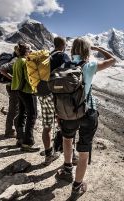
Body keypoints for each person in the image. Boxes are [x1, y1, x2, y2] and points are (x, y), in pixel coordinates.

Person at [55, 37, 116, 200]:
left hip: (67, 113)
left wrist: (58, 113)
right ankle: (77, 186)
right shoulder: (89, 66)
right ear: (86, 51)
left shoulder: (64, 66)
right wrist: (98, 48)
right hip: (88, 112)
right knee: (84, 150)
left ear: (72, 50)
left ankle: (67, 170)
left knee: (67, 140)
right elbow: (113, 60)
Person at [39, 36, 70, 165]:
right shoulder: (63, 56)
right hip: (55, 95)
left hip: (42, 94)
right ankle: (69, 157)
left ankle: (48, 155)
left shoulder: (46, 56)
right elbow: (70, 74)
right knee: (64, 125)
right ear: (63, 45)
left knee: (47, 126)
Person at [11, 42, 39, 151]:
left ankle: (20, 138)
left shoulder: (17, 61)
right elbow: (29, 78)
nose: (31, 51)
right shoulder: (25, 62)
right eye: (30, 50)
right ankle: (28, 142)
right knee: (32, 114)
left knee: (22, 113)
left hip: (19, 90)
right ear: (26, 51)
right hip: (27, 91)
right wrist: (36, 89)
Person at [0, 45, 20, 138]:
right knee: (13, 108)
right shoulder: (15, 60)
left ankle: (12, 129)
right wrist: (13, 79)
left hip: (11, 86)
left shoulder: (15, 59)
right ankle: (9, 131)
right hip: (13, 87)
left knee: (15, 108)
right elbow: (2, 69)